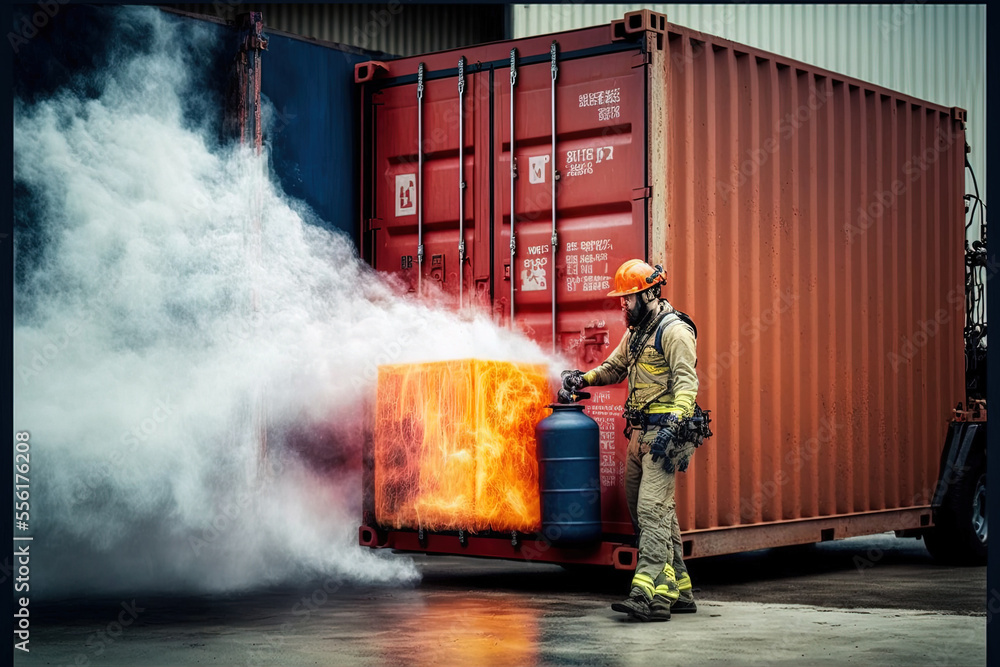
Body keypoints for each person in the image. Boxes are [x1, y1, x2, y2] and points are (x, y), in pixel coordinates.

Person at [561, 259, 701, 622]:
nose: (623, 304)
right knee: (653, 514)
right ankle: (678, 589)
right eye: (621, 298)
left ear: (652, 293)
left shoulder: (673, 331)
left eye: (629, 297)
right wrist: (583, 378)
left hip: (664, 436)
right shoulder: (638, 331)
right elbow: (614, 368)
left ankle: (644, 594)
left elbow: (688, 383)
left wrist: (675, 422)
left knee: (651, 512)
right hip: (639, 436)